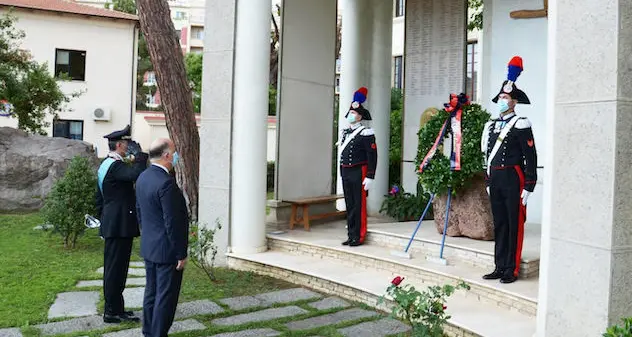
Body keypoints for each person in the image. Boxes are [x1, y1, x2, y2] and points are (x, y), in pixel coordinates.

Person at [481, 56, 537, 284]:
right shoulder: (492, 125)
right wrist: (487, 180)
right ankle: (499, 265)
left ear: (514, 101)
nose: (502, 100)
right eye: (501, 97)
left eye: (506, 97)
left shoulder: (521, 123)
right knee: (500, 223)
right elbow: (487, 155)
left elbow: (530, 156)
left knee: (514, 223)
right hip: (496, 179)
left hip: (514, 179)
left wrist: (529, 185)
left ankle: (510, 269)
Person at [135, 138, 189, 337]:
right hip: (167, 251)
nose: (176, 156)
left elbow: (140, 211)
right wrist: (180, 253)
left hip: (150, 246)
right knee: (165, 297)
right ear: (167, 155)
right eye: (174, 152)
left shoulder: (143, 177)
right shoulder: (166, 184)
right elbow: (173, 223)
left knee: (151, 293)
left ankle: (148, 332)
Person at [95, 125, 148, 323]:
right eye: (126, 144)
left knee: (117, 269)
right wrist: (141, 155)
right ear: (118, 145)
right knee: (115, 270)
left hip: (114, 224)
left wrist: (104, 220)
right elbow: (136, 174)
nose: (128, 147)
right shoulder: (115, 166)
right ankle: (111, 312)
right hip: (118, 226)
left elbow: (98, 198)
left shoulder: (105, 165)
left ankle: (118, 308)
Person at [338, 87, 378, 247]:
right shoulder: (345, 132)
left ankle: (359, 236)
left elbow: (372, 156)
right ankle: (351, 234)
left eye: (354, 113)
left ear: (360, 116)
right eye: (350, 113)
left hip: (359, 171)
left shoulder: (366, 133)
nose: (351, 115)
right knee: (349, 204)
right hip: (346, 171)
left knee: (359, 205)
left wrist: (370, 176)